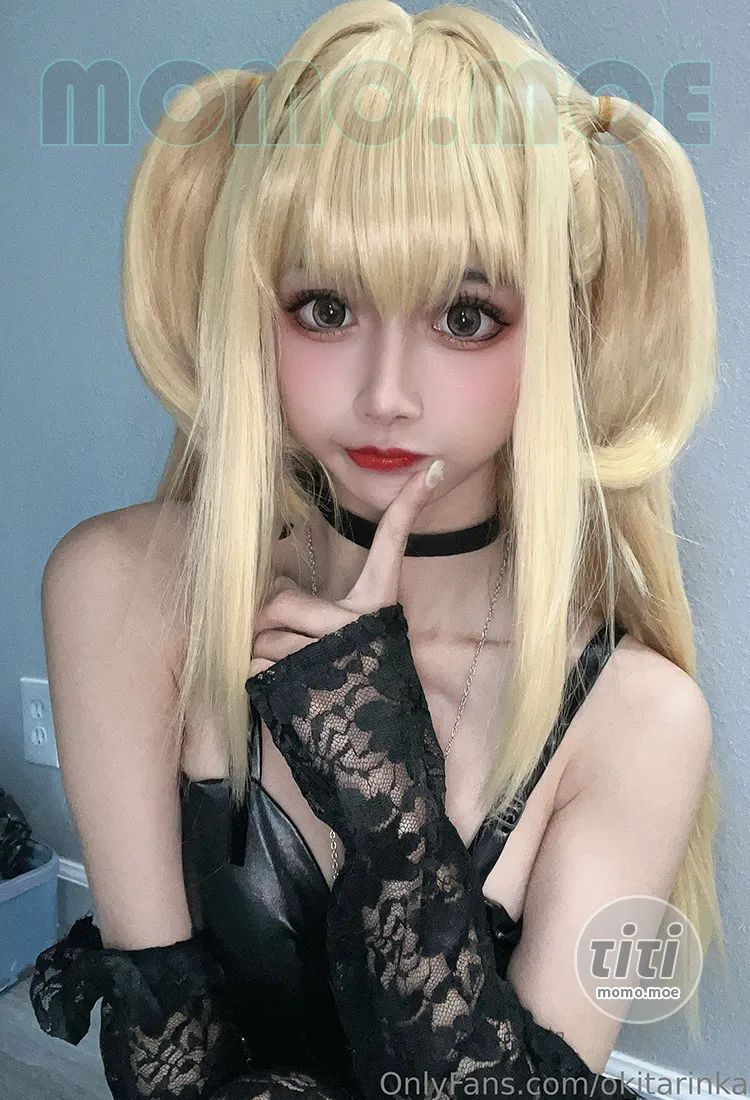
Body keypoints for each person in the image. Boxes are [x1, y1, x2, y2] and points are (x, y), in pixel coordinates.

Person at [29, 1, 725, 1098]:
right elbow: (168, 1061)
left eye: (465, 317)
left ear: (562, 334)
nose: (386, 392)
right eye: (324, 307)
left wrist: (393, 812)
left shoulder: (638, 721)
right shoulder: (122, 591)